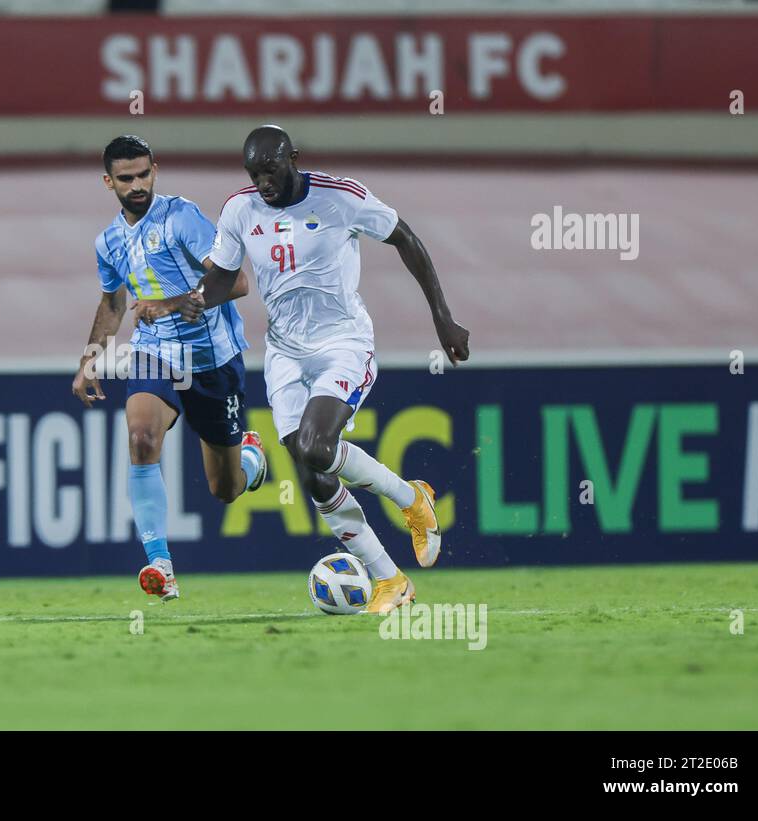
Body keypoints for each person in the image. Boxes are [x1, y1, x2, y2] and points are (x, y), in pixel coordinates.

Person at [165, 125, 471, 614]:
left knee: (314, 445)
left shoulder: (340, 197)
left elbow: (406, 239)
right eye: (254, 173)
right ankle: (390, 580)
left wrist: (443, 319)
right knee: (314, 474)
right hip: (285, 353)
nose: (262, 181)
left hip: (342, 343)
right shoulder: (240, 209)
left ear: (293, 159)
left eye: (270, 170)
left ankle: (410, 498)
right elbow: (223, 276)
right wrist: (199, 299)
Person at [72, 135, 267, 601]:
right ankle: (161, 565)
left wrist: (176, 302)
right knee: (141, 439)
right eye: (126, 178)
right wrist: (90, 358)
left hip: (213, 360)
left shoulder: (182, 218)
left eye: (144, 174)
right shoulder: (108, 241)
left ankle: (251, 461)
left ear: (155, 170)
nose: (137, 184)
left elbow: (237, 282)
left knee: (225, 488)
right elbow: (114, 301)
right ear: (108, 182)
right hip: (154, 352)